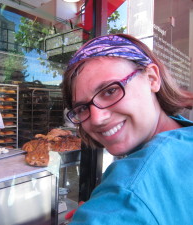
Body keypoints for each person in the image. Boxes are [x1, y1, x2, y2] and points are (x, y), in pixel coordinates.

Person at [62, 34, 193, 224]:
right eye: (82, 108)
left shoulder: (127, 193)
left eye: (110, 91)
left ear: (152, 78)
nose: (98, 118)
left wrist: (108, 208)